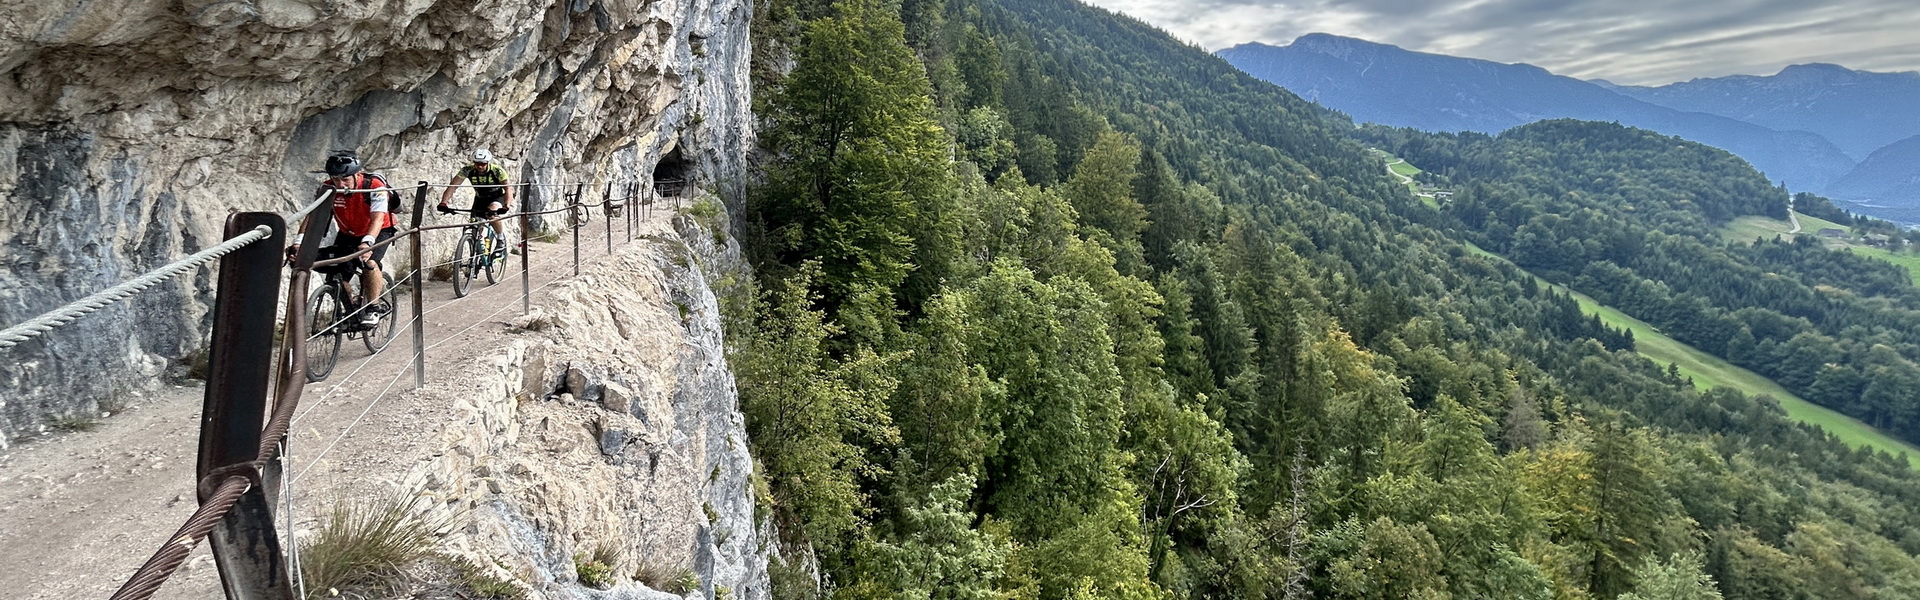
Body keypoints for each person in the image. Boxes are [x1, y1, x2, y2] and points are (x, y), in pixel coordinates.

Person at [311, 151, 397, 328]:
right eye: (336, 179)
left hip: (379, 230)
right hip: (348, 233)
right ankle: (350, 311)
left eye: (345, 179)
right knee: (336, 275)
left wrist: (368, 243)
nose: (340, 185)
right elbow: (313, 218)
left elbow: (378, 218)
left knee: (369, 262)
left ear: (357, 174)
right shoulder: (328, 189)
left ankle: (374, 307)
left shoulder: (374, 185)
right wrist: (299, 243)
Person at [438, 148, 514, 252]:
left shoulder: (497, 171)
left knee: (491, 213)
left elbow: (508, 188)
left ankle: (500, 239)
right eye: (477, 163)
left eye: (483, 164)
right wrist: (444, 202)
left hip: (497, 197)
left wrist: (506, 205)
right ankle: (477, 251)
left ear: (488, 162)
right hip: (480, 198)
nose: (480, 166)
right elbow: (453, 186)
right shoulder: (467, 170)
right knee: (476, 224)